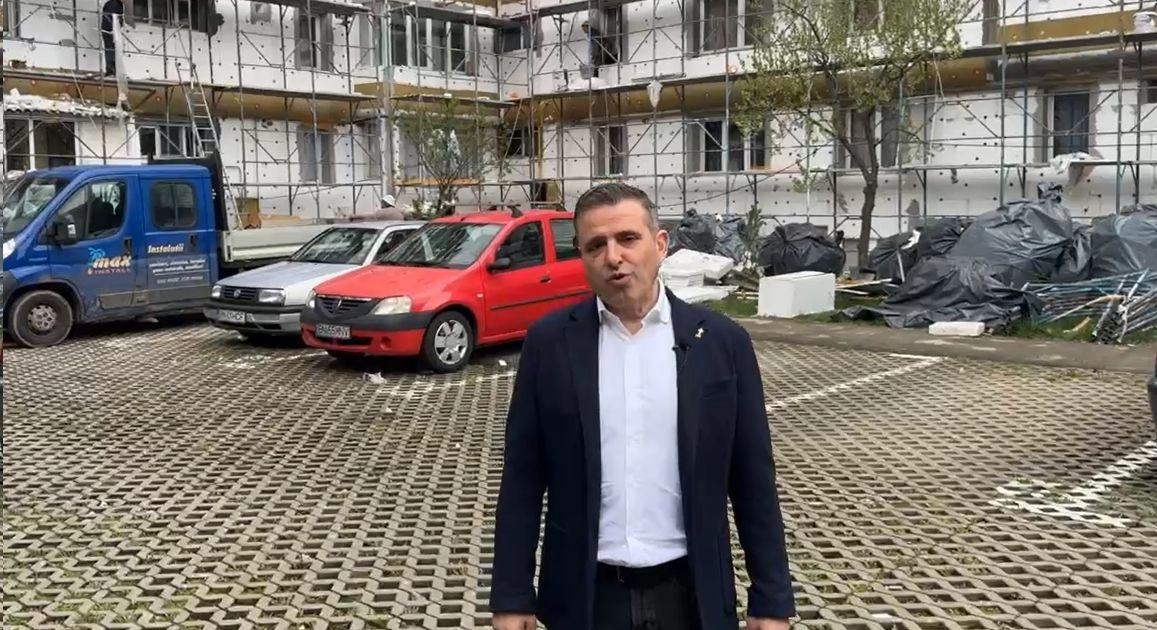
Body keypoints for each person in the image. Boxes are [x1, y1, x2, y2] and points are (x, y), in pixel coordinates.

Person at [490, 182, 794, 630]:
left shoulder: (721, 343)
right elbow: (522, 477)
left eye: (627, 238)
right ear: (582, 256)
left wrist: (771, 600)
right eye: (596, 245)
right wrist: (512, 596)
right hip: (585, 597)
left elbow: (753, 481)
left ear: (660, 244)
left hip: (692, 596)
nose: (613, 257)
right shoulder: (549, 344)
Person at [100, 0, 124, 77]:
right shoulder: (113, 4)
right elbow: (110, 18)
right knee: (110, 50)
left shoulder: (117, 4)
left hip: (112, 30)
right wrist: (113, 29)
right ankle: (111, 71)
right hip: (109, 30)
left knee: (112, 49)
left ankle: (112, 70)